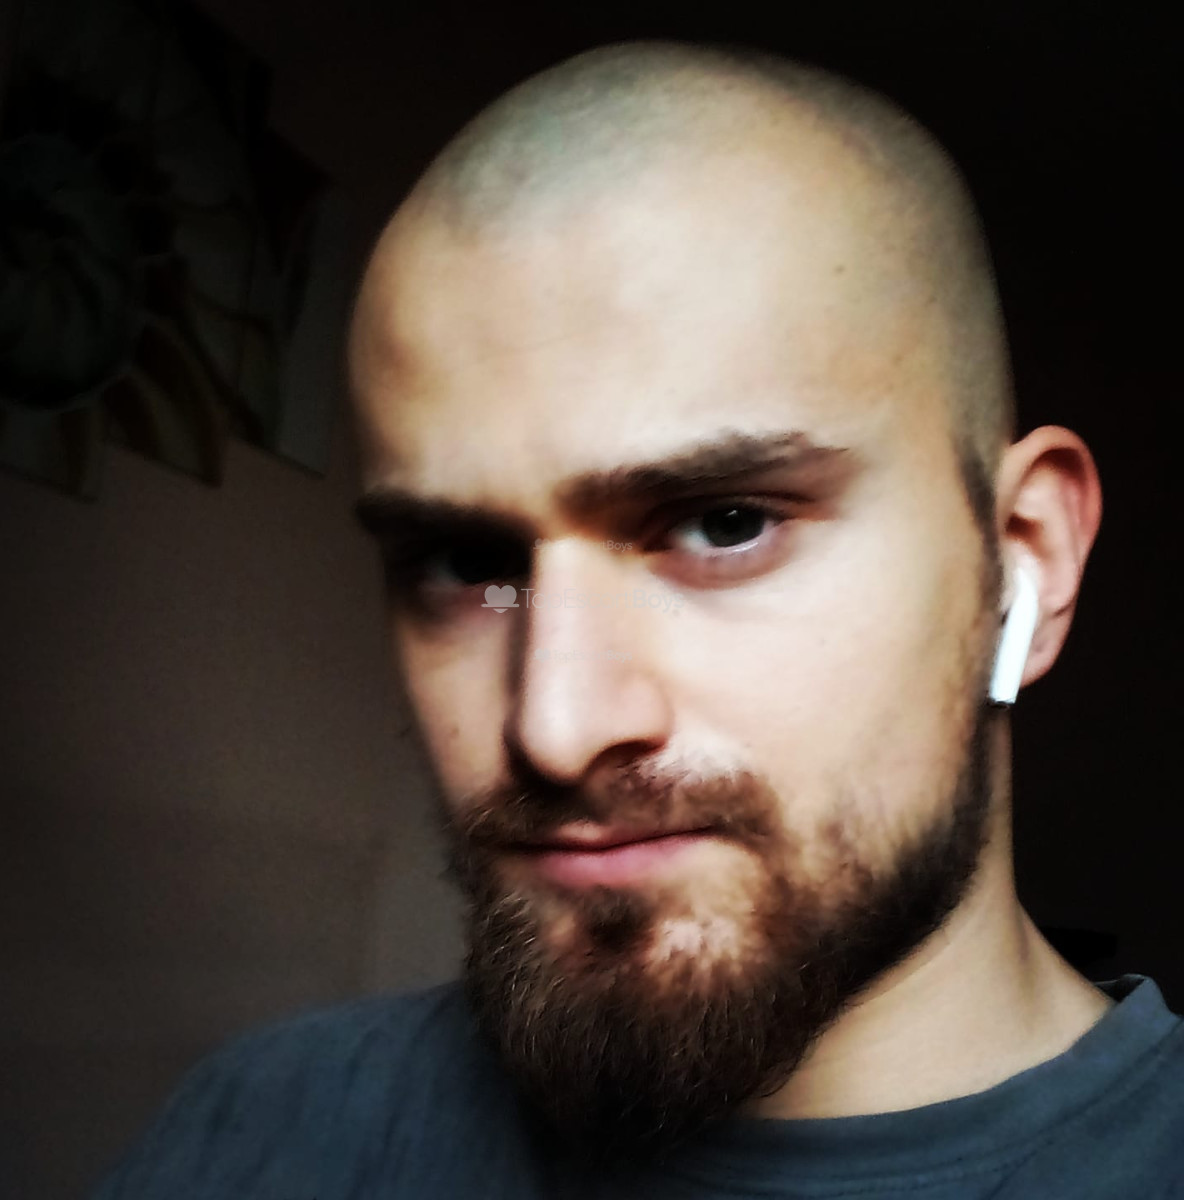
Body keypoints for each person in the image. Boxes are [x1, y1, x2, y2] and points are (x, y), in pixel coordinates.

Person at [90, 40, 1184, 1200]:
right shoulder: (255, 1128)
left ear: (1023, 561)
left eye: (723, 524)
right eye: (470, 563)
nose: (555, 729)